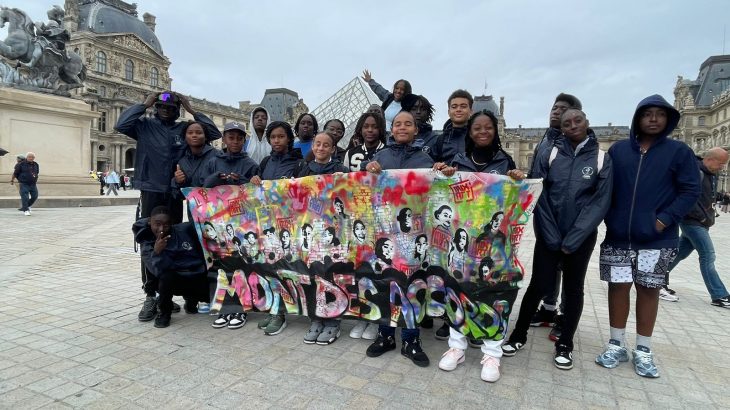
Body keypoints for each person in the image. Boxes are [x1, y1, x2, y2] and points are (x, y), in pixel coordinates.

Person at [595, 95, 700, 379]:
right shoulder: (619, 150)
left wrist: (663, 220)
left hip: (657, 238)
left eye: (660, 114)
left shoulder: (679, 152)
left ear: (668, 119)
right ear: (637, 118)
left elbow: (690, 190)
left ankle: (643, 348)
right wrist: (609, 217)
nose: (653, 119)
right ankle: (616, 343)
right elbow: (605, 187)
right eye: (647, 114)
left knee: (649, 290)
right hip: (618, 236)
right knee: (617, 288)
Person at [501, 108, 613, 372]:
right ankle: (518, 335)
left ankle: (565, 343)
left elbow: (600, 201)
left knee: (573, 289)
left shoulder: (601, 158)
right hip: (549, 234)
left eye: (577, 120)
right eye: (567, 123)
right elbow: (538, 191)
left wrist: (574, 237)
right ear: (561, 128)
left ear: (587, 122)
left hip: (580, 238)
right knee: (538, 285)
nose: (573, 125)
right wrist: (550, 234)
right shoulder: (550, 153)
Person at [434, 110, 524, 382]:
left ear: (495, 131)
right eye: (477, 128)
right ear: (470, 133)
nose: (483, 132)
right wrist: (444, 174)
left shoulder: (504, 160)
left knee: (495, 293)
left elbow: (514, 199)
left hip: (494, 245)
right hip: (462, 241)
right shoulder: (458, 161)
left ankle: (492, 353)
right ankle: (457, 347)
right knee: (457, 290)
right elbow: (442, 193)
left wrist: (516, 179)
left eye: (488, 128)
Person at [115, 91, 221, 322]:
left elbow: (213, 133)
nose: (166, 110)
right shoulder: (143, 125)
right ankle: (150, 294)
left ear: (176, 110)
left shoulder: (182, 129)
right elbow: (121, 124)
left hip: (174, 193)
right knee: (149, 240)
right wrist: (144, 103)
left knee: (173, 242)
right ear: (156, 107)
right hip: (151, 189)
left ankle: (168, 291)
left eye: (171, 107)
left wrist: (191, 109)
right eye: (162, 106)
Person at [362, 110, 434, 367]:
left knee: (412, 286)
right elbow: (363, 185)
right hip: (385, 233)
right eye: (398, 124)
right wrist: (368, 168)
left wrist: (440, 172)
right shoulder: (380, 157)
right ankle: (385, 335)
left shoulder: (425, 159)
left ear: (416, 129)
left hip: (414, 237)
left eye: (408, 124)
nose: (402, 127)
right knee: (386, 285)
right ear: (391, 129)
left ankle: (411, 340)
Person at [527, 93, 583, 341]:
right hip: (543, 211)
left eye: (562, 109)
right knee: (550, 265)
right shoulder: (547, 138)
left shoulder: (573, 142)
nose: (556, 112)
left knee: (568, 267)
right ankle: (549, 308)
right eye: (554, 107)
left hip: (565, 215)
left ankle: (565, 316)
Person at [250, 121, 305, 335]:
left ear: (289, 139)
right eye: (273, 137)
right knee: (269, 268)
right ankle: (274, 309)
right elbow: (256, 190)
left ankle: (281, 313)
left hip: (288, 225)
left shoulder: (299, 163)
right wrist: (255, 180)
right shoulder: (265, 162)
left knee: (284, 268)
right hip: (267, 224)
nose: (276, 141)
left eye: (281, 136)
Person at [295, 132, 349, 344]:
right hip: (309, 230)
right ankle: (316, 318)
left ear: (333, 149)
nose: (321, 148)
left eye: (326, 145)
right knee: (312, 275)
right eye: (317, 144)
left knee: (332, 275)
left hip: (334, 232)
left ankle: (333, 321)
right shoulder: (302, 169)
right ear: (312, 146)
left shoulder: (341, 170)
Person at [662, 147, 730, 307]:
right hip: (693, 222)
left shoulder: (710, 174)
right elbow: (686, 196)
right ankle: (719, 295)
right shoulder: (695, 173)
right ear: (710, 159)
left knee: (679, 253)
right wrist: (701, 216)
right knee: (708, 256)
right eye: (721, 163)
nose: (722, 167)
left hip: (701, 222)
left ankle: (656, 279)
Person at [132, 206, 208, 328]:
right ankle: (164, 313)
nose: (161, 229)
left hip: (194, 276)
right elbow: (156, 271)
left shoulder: (183, 230)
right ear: (150, 222)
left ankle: (191, 301)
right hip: (172, 282)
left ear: (171, 224)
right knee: (166, 276)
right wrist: (157, 252)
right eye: (157, 224)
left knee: (212, 293)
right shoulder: (147, 243)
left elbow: (202, 223)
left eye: (166, 225)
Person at [202, 122, 258, 188]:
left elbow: (257, 190)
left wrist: (244, 182)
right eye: (231, 138)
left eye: (240, 138)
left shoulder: (252, 165)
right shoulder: (212, 162)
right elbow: (201, 187)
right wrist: (212, 180)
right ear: (224, 139)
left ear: (244, 141)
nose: (235, 142)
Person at [430, 90, 473, 163]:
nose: (458, 110)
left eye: (463, 106)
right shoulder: (440, 140)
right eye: (454, 107)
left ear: (471, 111)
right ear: (448, 112)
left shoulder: (477, 137)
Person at [11, 152, 39, 216]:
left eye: (32, 157)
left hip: (33, 184)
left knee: (35, 196)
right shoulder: (21, 164)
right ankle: (26, 210)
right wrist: (18, 179)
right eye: (29, 157)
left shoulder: (36, 164)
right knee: (25, 197)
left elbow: (37, 172)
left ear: (34, 158)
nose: (31, 158)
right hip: (24, 183)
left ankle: (25, 206)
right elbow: (15, 173)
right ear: (26, 157)